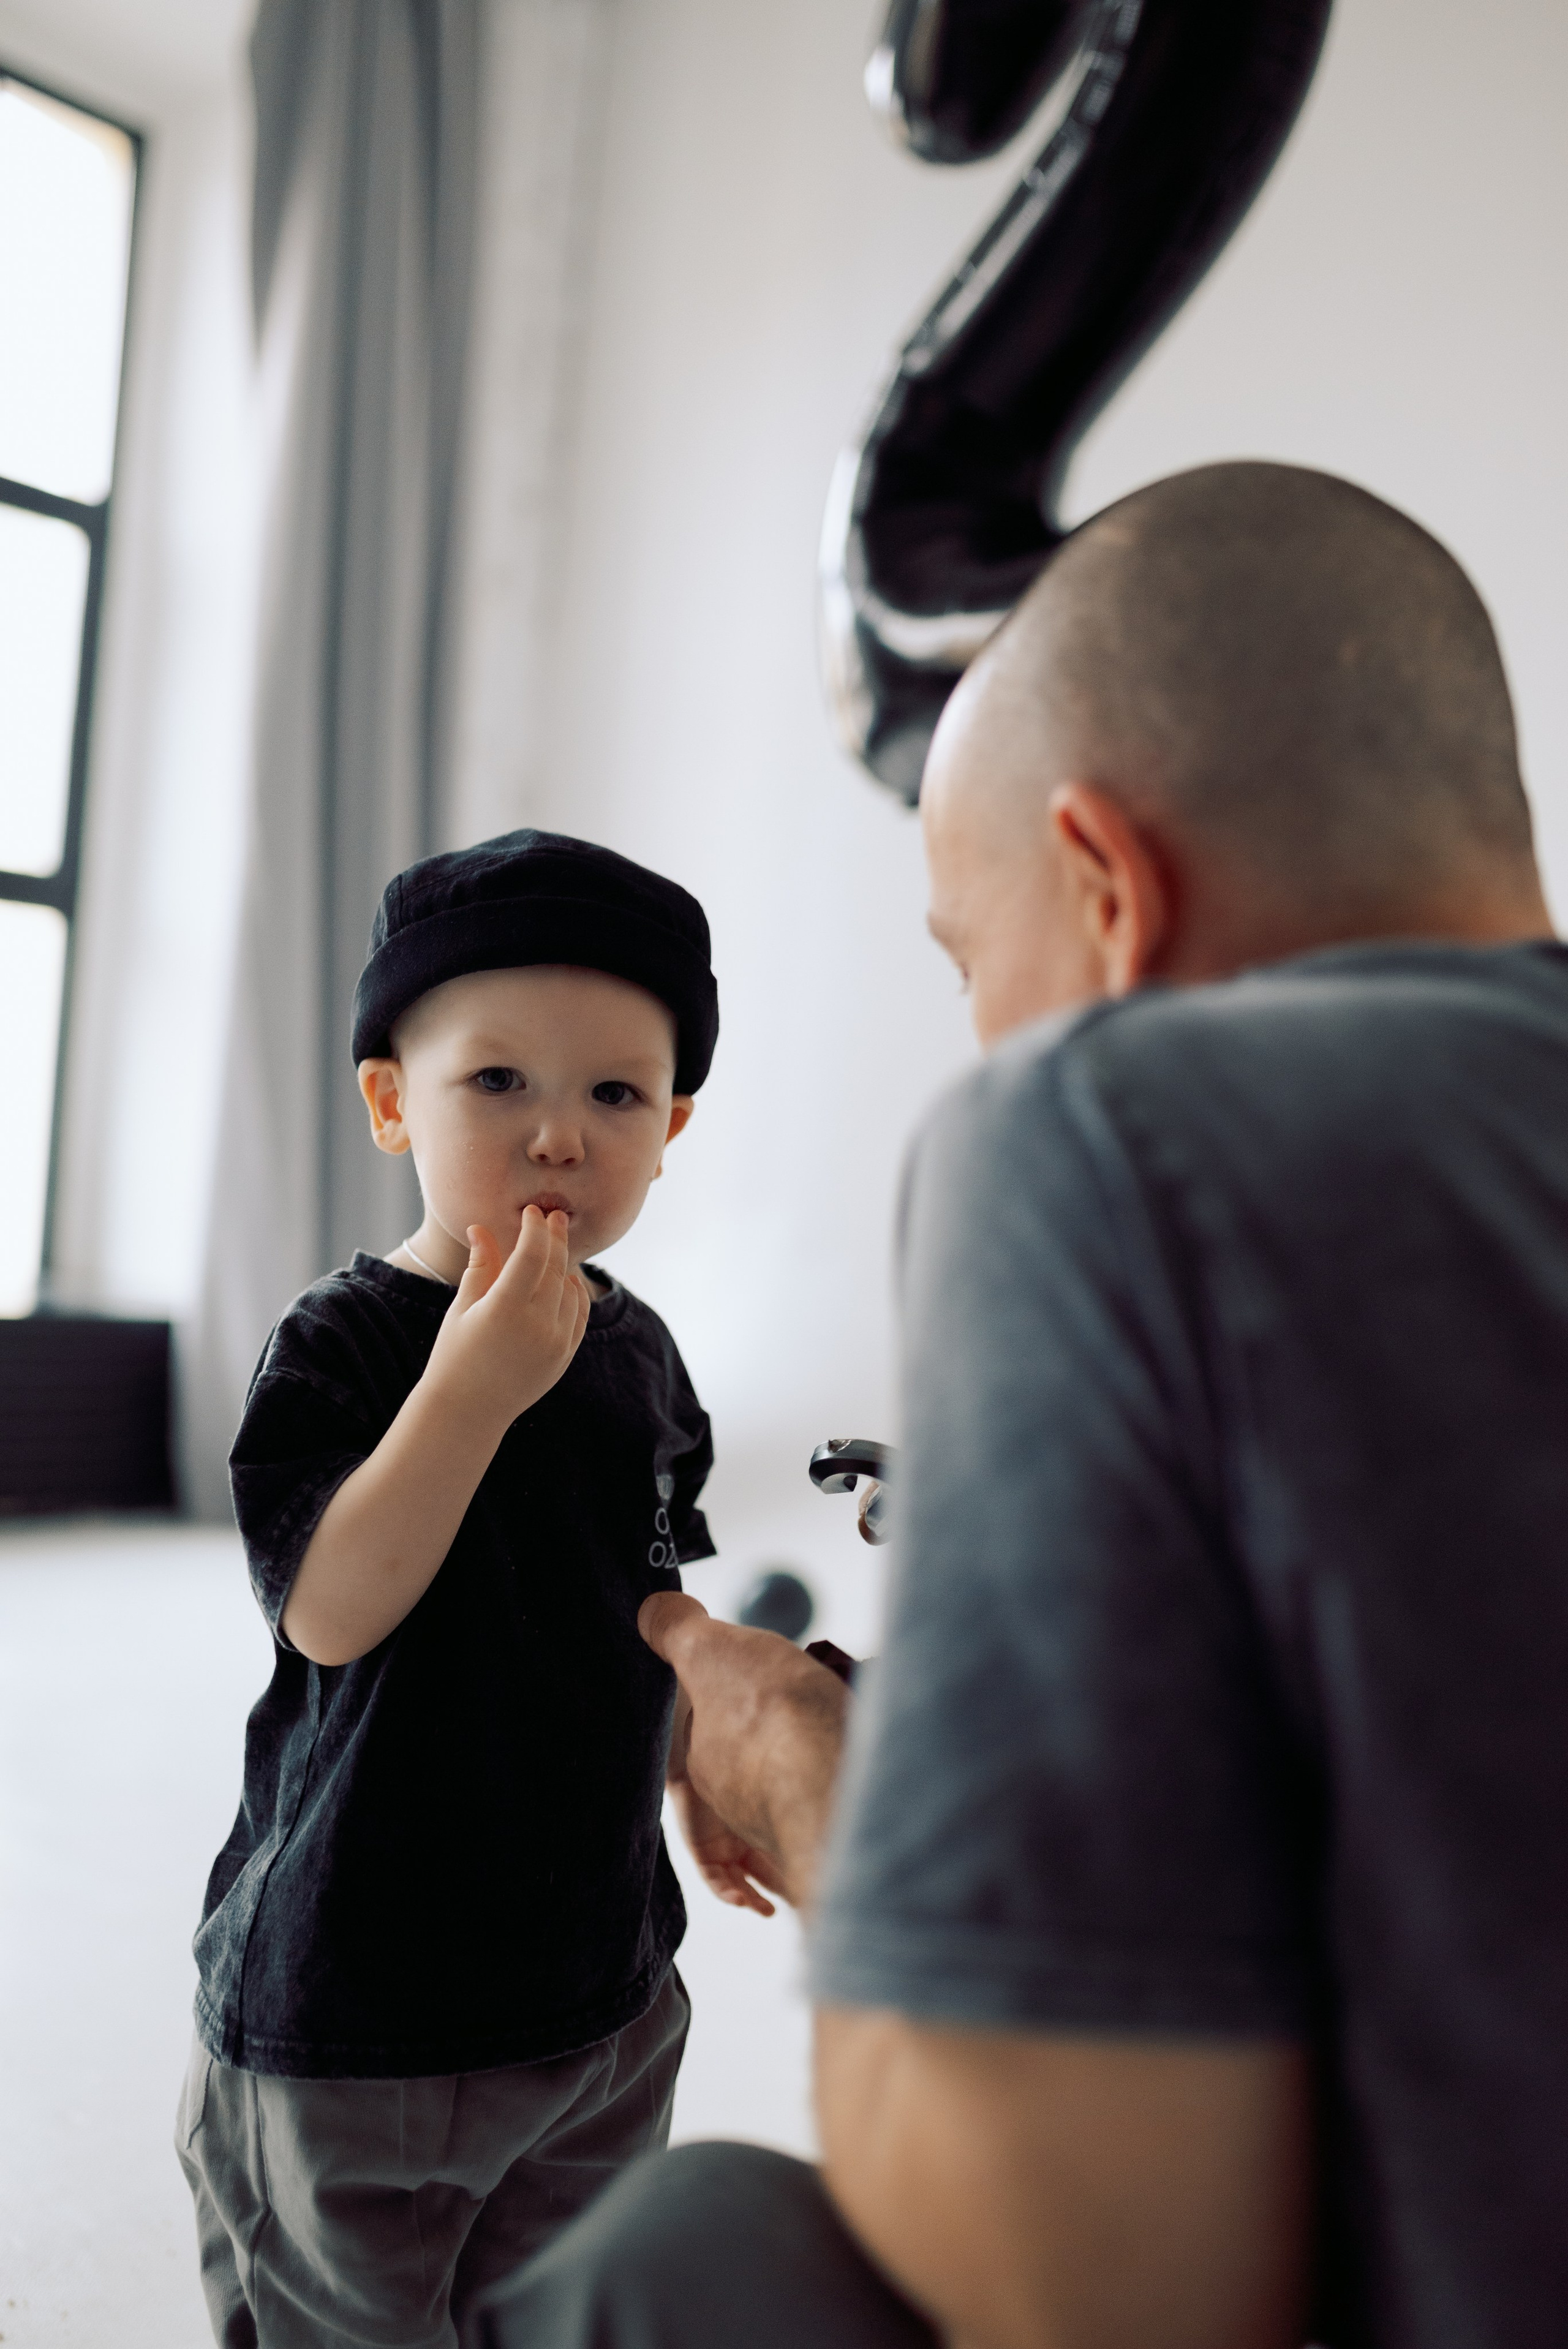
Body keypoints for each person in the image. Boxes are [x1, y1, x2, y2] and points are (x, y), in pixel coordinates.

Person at [467, 464, 1568, 2349]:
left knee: (679, 2252)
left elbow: (1083, 2274)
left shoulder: (1112, 1124)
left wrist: (803, 1782)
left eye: (971, 959)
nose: (982, 1031)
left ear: (1106, 887)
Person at [176, 831, 764, 2349]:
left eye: (614, 1094)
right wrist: (471, 1393)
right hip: (356, 2004)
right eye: (497, 1082)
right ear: (391, 1103)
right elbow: (328, 1609)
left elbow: (651, 1589)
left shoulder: (636, 1353)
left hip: (595, 1987)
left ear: (672, 1124)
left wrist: (698, 1756)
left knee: (549, 2306)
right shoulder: (346, 1344)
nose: (558, 1134)